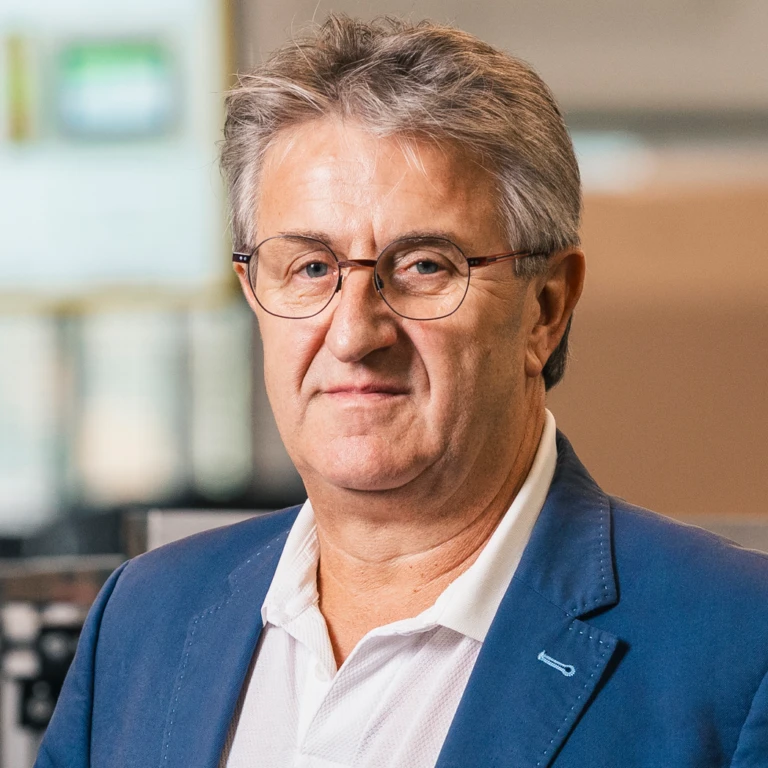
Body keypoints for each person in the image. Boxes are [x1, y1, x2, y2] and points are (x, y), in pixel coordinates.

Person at [36, 15, 768, 768]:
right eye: (310, 267)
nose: (354, 333)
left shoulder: (741, 647)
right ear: (253, 292)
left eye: (424, 265)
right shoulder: (143, 619)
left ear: (545, 308)